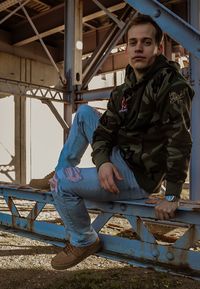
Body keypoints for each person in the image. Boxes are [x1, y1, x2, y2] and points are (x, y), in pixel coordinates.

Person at [40, 14, 194, 270]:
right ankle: (62, 167)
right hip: (121, 157)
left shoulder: (171, 86)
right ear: (126, 48)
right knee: (85, 114)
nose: (139, 48)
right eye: (133, 42)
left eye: (146, 42)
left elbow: (179, 140)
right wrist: (102, 162)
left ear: (158, 46)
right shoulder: (125, 89)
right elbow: (104, 132)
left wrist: (172, 194)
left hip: (138, 176)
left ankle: (84, 239)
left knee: (61, 183)